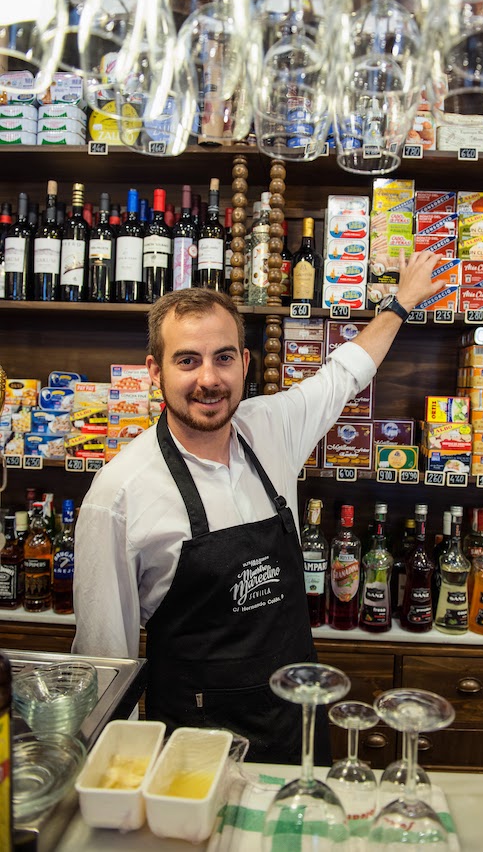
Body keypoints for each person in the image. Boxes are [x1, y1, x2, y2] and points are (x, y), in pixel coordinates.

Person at [73, 249, 445, 763]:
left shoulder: (269, 428)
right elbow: (103, 659)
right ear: (155, 371)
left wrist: (400, 303)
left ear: (245, 363)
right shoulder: (118, 494)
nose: (209, 378)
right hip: (191, 749)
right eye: (188, 360)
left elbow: (344, 373)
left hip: (295, 726)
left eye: (224, 357)